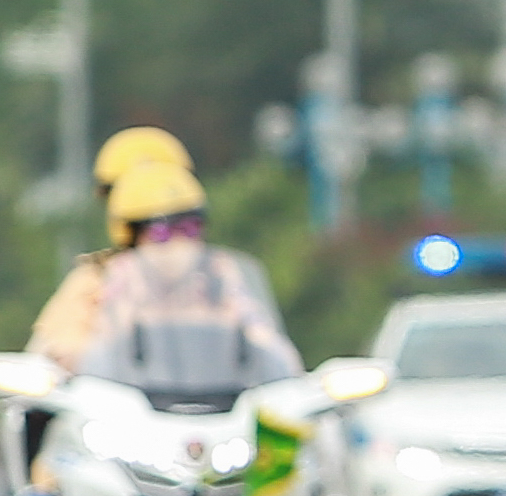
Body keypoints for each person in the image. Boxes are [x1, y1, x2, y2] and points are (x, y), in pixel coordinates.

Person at [56, 157, 301, 385]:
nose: (178, 243)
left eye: (190, 228)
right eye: (160, 233)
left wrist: (284, 367)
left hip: (219, 404)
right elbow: (69, 350)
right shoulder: (112, 280)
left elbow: (261, 334)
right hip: (130, 410)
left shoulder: (221, 274)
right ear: (130, 235)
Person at [26, 126, 196, 369]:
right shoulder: (96, 278)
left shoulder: (219, 276)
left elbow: (260, 342)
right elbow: (54, 349)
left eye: (186, 225)